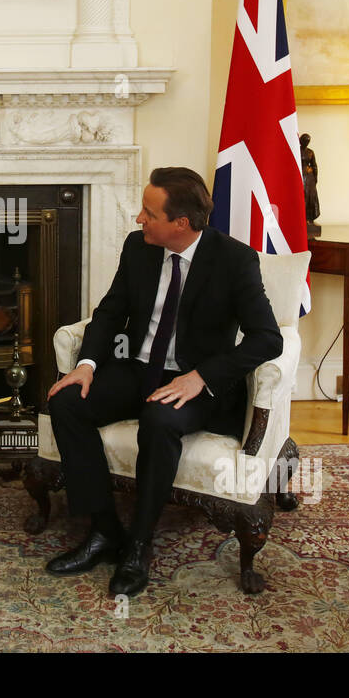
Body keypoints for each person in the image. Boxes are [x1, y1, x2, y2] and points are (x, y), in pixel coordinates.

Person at [45, 167, 282, 597]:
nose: (139, 219)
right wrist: (88, 365)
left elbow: (268, 338)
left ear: (182, 224)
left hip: (195, 383)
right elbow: (110, 312)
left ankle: (139, 545)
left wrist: (203, 376)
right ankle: (103, 531)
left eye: (149, 213)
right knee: (66, 401)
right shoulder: (139, 248)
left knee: (159, 418)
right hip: (138, 369)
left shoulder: (234, 260)